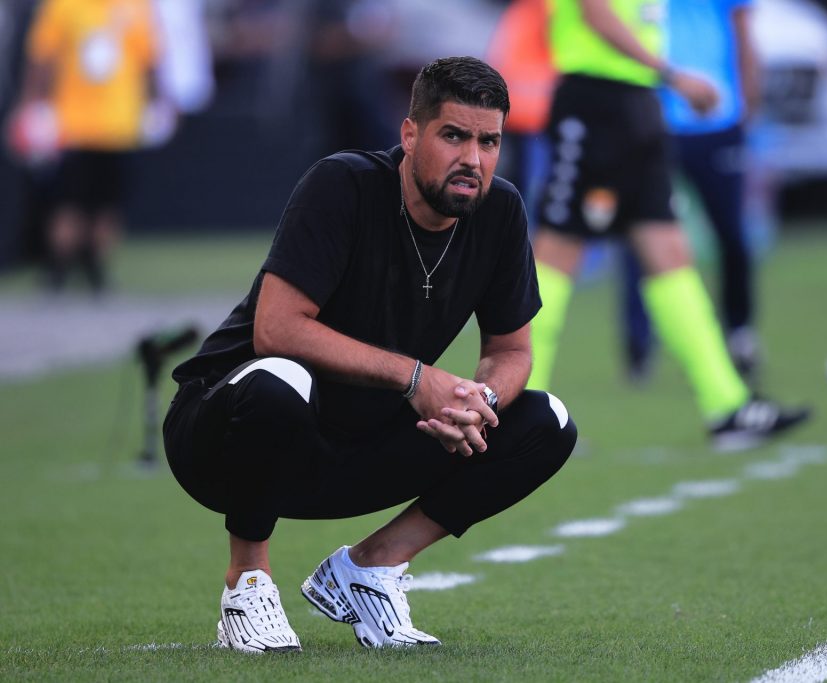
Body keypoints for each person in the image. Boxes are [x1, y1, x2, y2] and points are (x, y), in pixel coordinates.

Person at [163, 56, 577, 653]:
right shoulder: (344, 184)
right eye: (454, 135)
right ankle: (247, 583)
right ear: (410, 134)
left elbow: (511, 349)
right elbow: (276, 331)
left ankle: (369, 569)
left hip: (352, 445)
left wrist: (476, 400)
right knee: (280, 380)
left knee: (545, 421)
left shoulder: (500, 210)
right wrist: (415, 378)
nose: (473, 160)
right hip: (226, 439)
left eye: (489, 141)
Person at [528, 0, 808, 450]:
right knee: (557, 254)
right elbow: (594, 13)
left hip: (637, 105)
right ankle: (517, 415)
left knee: (670, 254)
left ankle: (728, 407)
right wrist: (673, 76)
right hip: (594, 102)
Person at [623, 0, 764, 381]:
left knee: (731, 233)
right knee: (642, 235)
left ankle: (740, 332)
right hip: (655, 119)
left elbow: (742, 30)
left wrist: (749, 101)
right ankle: (639, 344)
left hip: (717, 117)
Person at [10, 0, 165, 292]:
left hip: (121, 125)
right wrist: (32, 105)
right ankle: (57, 270)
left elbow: (149, 58)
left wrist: (157, 102)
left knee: (108, 206)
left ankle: (97, 270)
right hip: (74, 126)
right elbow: (42, 58)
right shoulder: (63, 6)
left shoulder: (137, 6)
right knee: (68, 203)